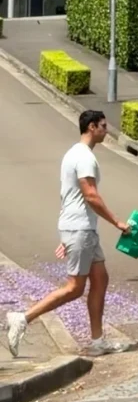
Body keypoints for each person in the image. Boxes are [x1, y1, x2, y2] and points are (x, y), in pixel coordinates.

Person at [5, 109, 131, 358]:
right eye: (104, 126)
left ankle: (97, 342)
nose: (107, 130)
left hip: (81, 229)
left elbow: (69, 196)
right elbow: (90, 195)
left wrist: (68, 235)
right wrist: (117, 222)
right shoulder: (84, 157)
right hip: (80, 228)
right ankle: (23, 318)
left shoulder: (74, 153)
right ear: (92, 127)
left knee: (100, 279)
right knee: (75, 287)